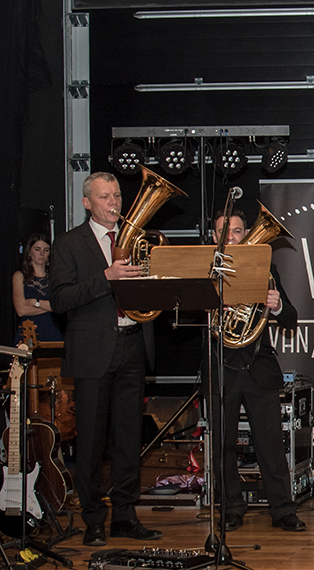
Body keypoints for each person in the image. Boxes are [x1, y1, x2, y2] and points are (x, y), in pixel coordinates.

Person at [48, 172, 161, 547]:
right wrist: (107, 277)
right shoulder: (68, 244)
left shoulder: (137, 240)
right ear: (86, 203)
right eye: (104, 197)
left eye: (116, 195)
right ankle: (93, 518)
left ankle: (125, 516)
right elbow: (60, 299)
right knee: (91, 443)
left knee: (129, 440)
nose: (114, 203)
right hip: (92, 351)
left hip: (132, 345)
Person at [209, 210, 305, 533]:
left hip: (258, 367)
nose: (232, 237)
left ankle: (283, 509)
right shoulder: (206, 270)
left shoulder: (266, 268)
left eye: (237, 231)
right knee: (223, 446)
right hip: (221, 365)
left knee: (271, 445)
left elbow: (290, 318)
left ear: (246, 233)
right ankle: (231, 507)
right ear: (214, 237)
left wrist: (277, 305)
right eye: (225, 232)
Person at [13, 233, 63, 343]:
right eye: (37, 249)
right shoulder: (20, 276)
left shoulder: (55, 277)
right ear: (29, 252)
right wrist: (50, 307)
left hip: (52, 330)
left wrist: (36, 303)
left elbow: (61, 306)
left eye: (46, 250)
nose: (42, 253)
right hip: (28, 331)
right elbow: (21, 310)